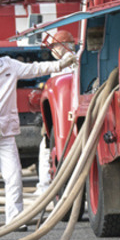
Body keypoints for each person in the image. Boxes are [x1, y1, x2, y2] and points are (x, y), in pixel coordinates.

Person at [0, 28, 76, 231]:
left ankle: (15, 218)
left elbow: (35, 68)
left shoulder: (9, 66)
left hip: (5, 132)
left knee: (14, 176)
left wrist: (60, 64)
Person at [35, 31, 77, 196]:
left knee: (47, 149)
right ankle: (46, 187)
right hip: (62, 115)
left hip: (63, 117)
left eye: (54, 46)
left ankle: (45, 188)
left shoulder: (70, 65)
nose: (52, 50)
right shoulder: (73, 62)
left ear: (63, 45)